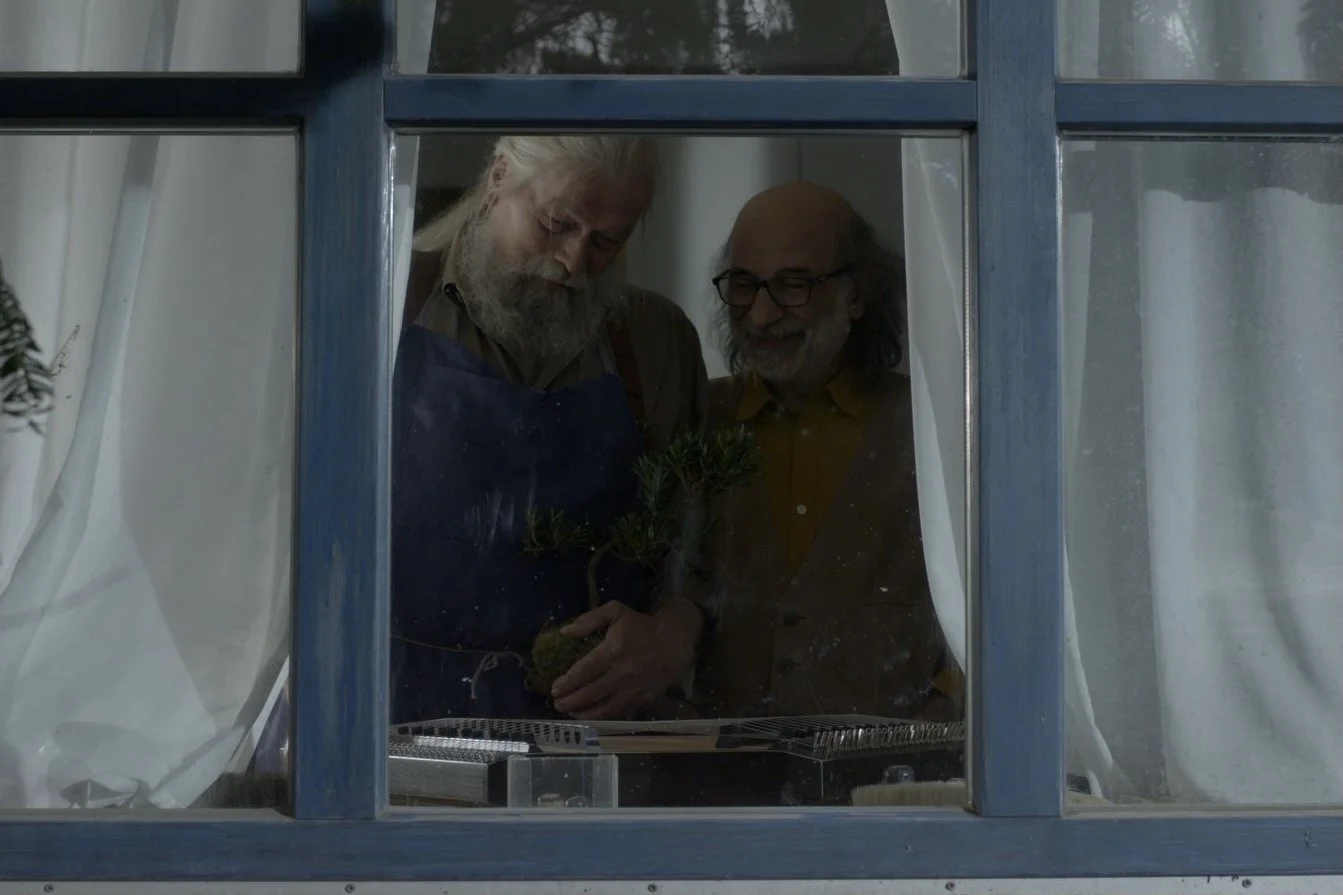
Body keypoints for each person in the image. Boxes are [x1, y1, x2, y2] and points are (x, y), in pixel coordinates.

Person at [392, 136, 707, 724]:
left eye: (607, 241)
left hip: (592, 730)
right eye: (556, 224)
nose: (573, 263)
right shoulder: (381, 307)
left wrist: (674, 632)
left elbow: (703, 540)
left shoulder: (655, 343)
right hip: (392, 725)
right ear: (498, 178)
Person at [691, 181, 961, 721]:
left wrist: (953, 700)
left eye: (793, 286)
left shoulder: (938, 430)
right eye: (743, 284)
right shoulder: (694, 420)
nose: (760, 315)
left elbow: (1000, 606)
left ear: (857, 294)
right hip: (716, 766)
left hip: (896, 767)